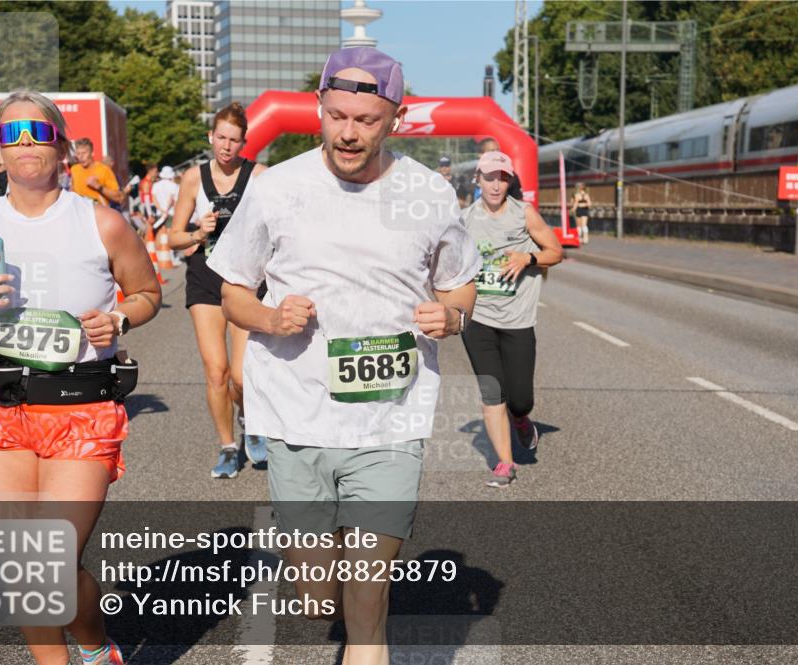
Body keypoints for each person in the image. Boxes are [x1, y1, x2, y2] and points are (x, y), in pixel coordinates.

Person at [207, 46, 480, 664]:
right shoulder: (277, 189)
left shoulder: (429, 192)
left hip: (390, 419)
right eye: (336, 117)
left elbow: (461, 279)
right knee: (315, 597)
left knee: (366, 596)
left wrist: (454, 313)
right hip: (297, 419)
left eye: (365, 121)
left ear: (396, 120)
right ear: (319, 111)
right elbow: (231, 292)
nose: (348, 133)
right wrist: (272, 317)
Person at [0, 90, 161, 665]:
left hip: (81, 408)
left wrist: (118, 317)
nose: (26, 142)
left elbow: (148, 292)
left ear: (61, 148)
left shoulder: (103, 223)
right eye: (12, 135)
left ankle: (92, 642)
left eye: (38, 131)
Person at [168, 103, 268, 479]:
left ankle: (250, 420)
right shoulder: (193, 179)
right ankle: (228, 446)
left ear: (245, 142)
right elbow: (173, 237)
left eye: (234, 140)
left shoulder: (259, 175)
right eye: (221, 138)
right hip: (205, 277)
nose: (227, 146)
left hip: (244, 280)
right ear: (211, 137)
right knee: (216, 372)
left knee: (241, 376)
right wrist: (198, 231)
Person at [461, 150, 562, 488]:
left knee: (519, 398)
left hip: (517, 319)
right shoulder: (464, 219)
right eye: (489, 177)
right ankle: (505, 463)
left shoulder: (523, 214)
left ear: (510, 181)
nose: (496, 184)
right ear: (478, 178)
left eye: (503, 178)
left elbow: (555, 251)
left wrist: (528, 257)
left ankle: (520, 418)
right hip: (480, 319)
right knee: (492, 392)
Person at [71, 138, 124, 208]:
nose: (81, 157)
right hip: (81, 214)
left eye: (84, 153)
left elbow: (119, 198)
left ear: (92, 153)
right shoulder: (74, 169)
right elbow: (73, 191)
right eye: (78, 153)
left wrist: (98, 186)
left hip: (99, 214)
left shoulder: (104, 170)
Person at [151, 166, 178, 232]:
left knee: (161, 233)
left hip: (159, 213)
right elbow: (172, 200)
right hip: (170, 213)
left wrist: (162, 210)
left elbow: (154, 200)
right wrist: (166, 210)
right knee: (169, 233)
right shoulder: (174, 185)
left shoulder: (155, 185)